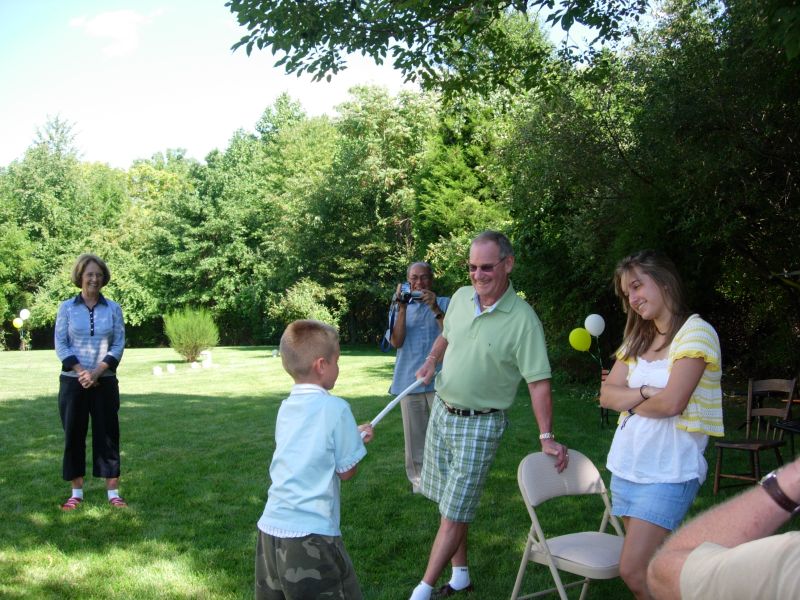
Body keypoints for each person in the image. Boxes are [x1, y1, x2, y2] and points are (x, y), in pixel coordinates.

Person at [409, 231, 568, 600]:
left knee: (454, 511)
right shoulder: (463, 298)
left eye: (486, 267)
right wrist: (432, 360)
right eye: (471, 267)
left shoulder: (524, 321)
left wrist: (546, 436)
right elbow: (447, 336)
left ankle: (423, 589)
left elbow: (539, 382)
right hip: (443, 413)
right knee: (450, 503)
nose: (477, 275)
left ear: (508, 264)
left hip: (481, 424)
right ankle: (460, 574)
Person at [599, 249, 724, 599]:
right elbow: (607, 396)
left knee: (634, 570)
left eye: (638, 286)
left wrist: (632, 397)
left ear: (664, 281)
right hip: (627, 467)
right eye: (628, 293)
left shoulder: (696, 333)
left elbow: (673, 403)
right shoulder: (637, 338)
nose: (634, 298)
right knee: (655, 572)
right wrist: (646, 391)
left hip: (668, 471)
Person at [255, 319, 375, 600]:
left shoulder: (286, 407)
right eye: (337, 361)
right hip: (311, 537)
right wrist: (353, 440)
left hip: (270, 532)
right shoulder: (337, 408)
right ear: (322, 365)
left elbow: (310, 443)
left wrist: (350, 436)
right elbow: (347, 472)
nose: (338, 368)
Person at [647, 456, 800, 599]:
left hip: (670, 473)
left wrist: (791, 478)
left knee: (636, 570)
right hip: (639, 472)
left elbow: (665, 574)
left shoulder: (788, 565)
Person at [55, 253, 126, 510]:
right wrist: (81, 371)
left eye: (98, 274)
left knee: (108, 436)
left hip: (104, 382)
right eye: (89, 274)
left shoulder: (113, 308)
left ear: (103, 277)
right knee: (73, 435)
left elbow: (118, 343)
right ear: (80, 277)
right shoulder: (66, 308)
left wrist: (97, 371)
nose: (94, 279)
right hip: (73, 383)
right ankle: (76, 493)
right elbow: (61, 343)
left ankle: (113, 494)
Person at [388, 261, 449, 493]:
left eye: (423, 277)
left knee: (442, 434)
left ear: (431, 280)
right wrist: (401, 308)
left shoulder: (445, 303)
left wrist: (435, 309)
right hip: (408, 381)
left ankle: (444, 478)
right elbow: (396, 341)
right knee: (414, 438)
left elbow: (452, 334)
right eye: (414, 278)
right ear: (407, 281)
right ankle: (419, 482)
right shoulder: (398, 307)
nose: (419, 283)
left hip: (441, 380)